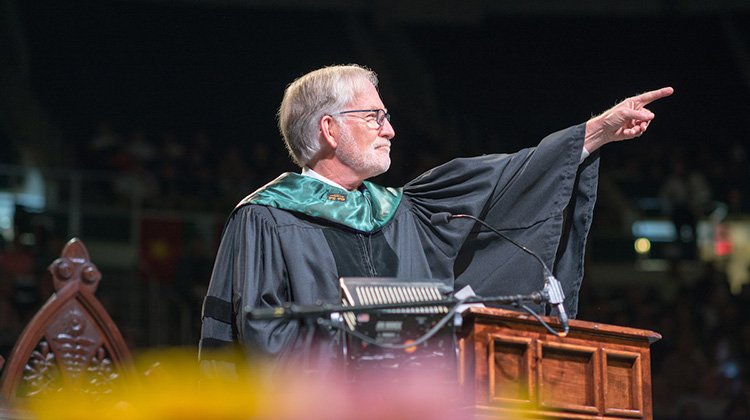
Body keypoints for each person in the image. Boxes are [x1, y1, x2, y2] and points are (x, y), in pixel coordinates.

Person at [199, 64, 673, 367]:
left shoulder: (404, 211)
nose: (391, 129)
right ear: (329, 128)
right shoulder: (267, 218)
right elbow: (263, 340)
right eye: (375, 117)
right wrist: (359, 359)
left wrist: (594, 134)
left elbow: (506, 177)